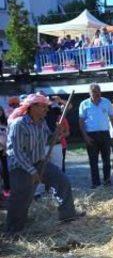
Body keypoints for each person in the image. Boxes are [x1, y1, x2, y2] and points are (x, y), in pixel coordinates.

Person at [4, 94, 84, 235]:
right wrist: (32, 171)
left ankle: (68, 215)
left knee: (62, 181)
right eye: (44, 107)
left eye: (47, 107)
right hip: (21, 168)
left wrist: (58, 132)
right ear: (33, 107)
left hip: (40, 162)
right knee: (22, 198)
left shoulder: (42, 122)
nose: (47, 110)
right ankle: (13, 231)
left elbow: (50, 138)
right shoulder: (19, 124)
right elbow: (15, 152)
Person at [78, 84, 113, 188]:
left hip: (105, 134)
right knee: (93, 160)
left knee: (107, 160)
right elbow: (81, 121)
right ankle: (95, 183)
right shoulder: (84, 104)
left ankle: (107, 181)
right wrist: (85, 136)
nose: (97, 93)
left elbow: (112, 118)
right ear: (89, 93)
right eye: (94, 91)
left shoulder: (106, 102)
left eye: (98, 90)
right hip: (91, 135)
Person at [0, 105, 9, 196]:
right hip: (1, 148)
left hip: (5, 151)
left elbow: (8, 136)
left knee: (5, 171)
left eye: (0, 111)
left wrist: (5, 148)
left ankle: (6, 190)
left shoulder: (5, 123)